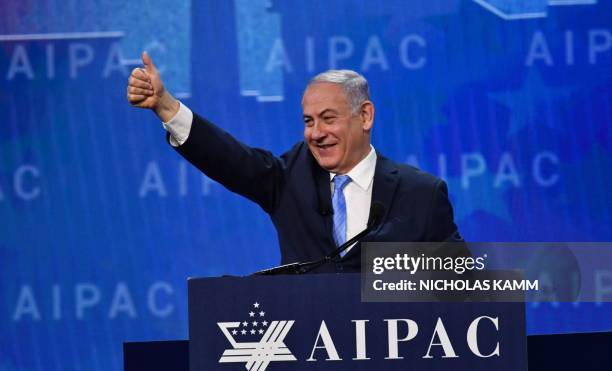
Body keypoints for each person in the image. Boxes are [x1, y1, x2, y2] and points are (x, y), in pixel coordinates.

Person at [127, 52, 462, 273]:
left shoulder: (421, 194)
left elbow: (465, 289)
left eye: (328, 118)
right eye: (308, 121)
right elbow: (232, 161)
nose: (316, 133)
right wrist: (167, 107)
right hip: (307, 369)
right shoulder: (290, 179)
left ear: (365, 116)